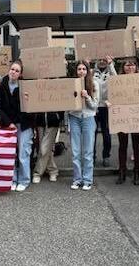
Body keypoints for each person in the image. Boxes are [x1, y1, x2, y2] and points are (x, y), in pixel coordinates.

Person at [0, 61, 34, 192]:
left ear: (20, 74)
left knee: (23, 153)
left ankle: (24, 180)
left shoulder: (25, 87)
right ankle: (13, 179)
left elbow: (28, 109)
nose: (14, 72)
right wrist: (8, 122)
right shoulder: (1, 86)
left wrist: (28, 99)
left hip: (23, 124)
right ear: (8, 70)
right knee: (11, 154)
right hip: (8, 125)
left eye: (17, 71)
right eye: (12, 69)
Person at [110, 58, 139, 185]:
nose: (130, 67)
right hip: (122, 117)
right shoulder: (118, 80)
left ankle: (137, 173)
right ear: (123, 67)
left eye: (132, 65)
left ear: (136, 67)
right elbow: (113, 96)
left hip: (137, 116)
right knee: (122, 145)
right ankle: (122, 172)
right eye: (127, 65)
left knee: (137, 145)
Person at [68, 61, 99, 191]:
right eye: (79, 69)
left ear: (88, 70)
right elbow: (66, 104)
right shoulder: (71, 84)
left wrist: (87, 97)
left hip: (88, 118)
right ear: (76, 71)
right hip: (74, 117)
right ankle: (77, 179)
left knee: (88, 152)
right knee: (75, 151)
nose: (81, 71)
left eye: (84, 69)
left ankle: (87, 180)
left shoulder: (94, 83)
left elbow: (95, 106)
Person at [92, 55, 117, 167]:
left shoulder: (110, 72)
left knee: (106, 133)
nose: (102, 61)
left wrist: (111, 64)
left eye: (104, 60)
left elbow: (117, 81)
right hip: (93, 107)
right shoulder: (92, 72)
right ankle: (91, 156)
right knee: (92, 133)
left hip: (106, 107)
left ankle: (106, 155)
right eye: (100, 59)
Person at [32, 111, 62, 183]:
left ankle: (37, 173)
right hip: (39, 119)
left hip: (53, 120)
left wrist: (59, 116)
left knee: (44, 149)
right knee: (47, 148)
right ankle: (52, 170)